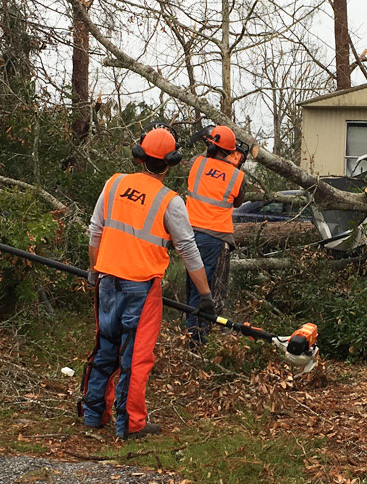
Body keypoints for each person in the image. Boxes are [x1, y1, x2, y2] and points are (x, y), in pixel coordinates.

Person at [81, 124, 215, 440]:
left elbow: (95, 232)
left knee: (104, 348)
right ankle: (129, 424)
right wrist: (205, 294)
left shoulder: (114, 184)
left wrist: (93, 271)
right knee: (134, 357)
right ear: (170, 163)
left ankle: (93, 413)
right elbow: (189, 252)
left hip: (107, 282)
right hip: (140, 289)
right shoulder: (171, 201)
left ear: (140, 156)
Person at [184, 125, 246, 348]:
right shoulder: (238, 176)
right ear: (230, 151)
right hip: (214, 236)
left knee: (193, 283)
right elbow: (238, 201)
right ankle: (196, 337)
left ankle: (192, 330)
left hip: (189, 232)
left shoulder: (196, 163)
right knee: (207, 288)